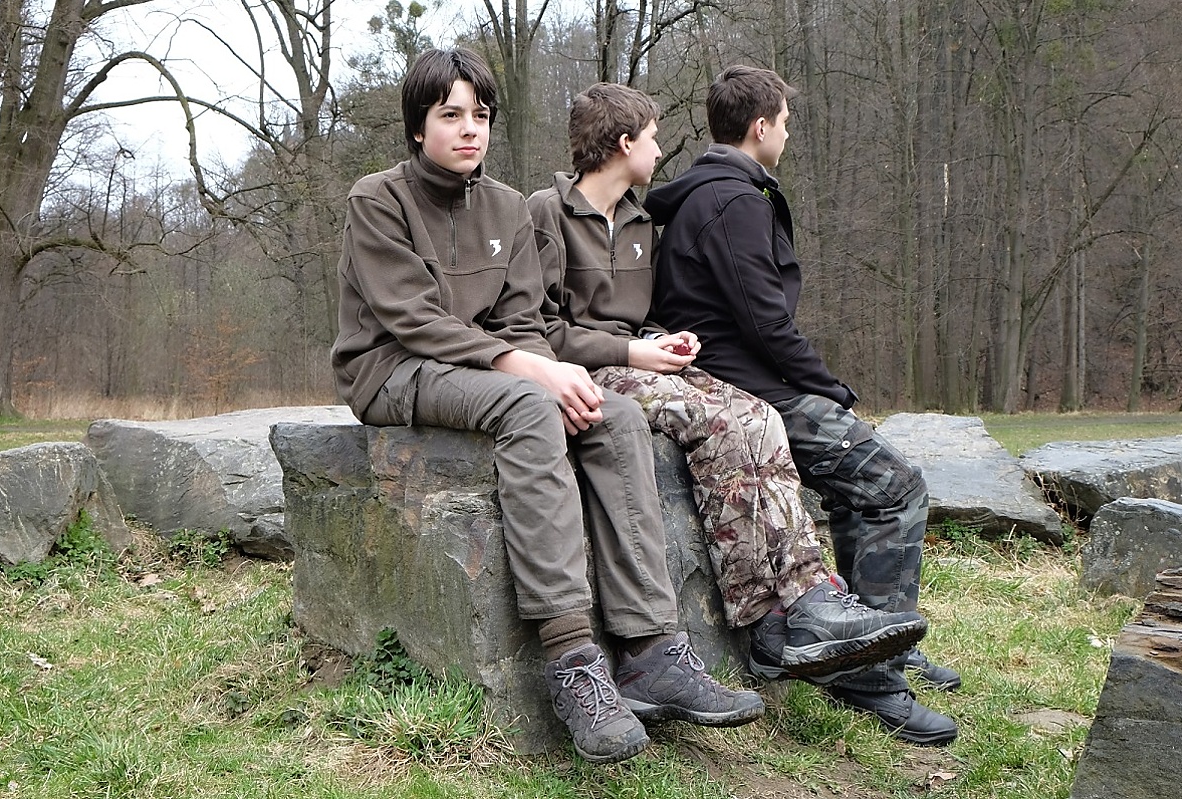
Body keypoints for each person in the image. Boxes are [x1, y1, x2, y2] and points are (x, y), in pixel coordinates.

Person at [329, 48, 766, 765]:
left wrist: (556, 372)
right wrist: (530, 371)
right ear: (417, 127)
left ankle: (652, 649)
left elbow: (522, 320)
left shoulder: (506, 206)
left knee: (612, 413)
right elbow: (412, 319)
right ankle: (573, 661)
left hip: (487, 369)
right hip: (393, 368)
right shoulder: (378, 199)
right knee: (532, 409)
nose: (469, 129)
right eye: (450, 115)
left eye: (480, 115)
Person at [526, 83, 928, 690]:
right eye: (654, 138)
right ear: (624, 143)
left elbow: (649, 312)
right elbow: (540, 327)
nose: (660, 150)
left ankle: (810, 596)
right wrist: (631, 350)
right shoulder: (546, 213)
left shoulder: (640, 222)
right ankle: (760, 618)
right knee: (713, 422)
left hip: (644, 362)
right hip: (587, 370)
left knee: (761, 416)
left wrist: (666, 339)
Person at [644, 65, 961, 745]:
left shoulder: (717, 192)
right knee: (895, 485)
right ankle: (872, 677)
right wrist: (829, 389)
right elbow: (766, 323)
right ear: (760, 126)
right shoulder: (732, 201)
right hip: (749, 390)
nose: (787, 134)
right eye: (784, 122)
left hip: (744, 376)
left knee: (862, 487)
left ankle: (874, 643)